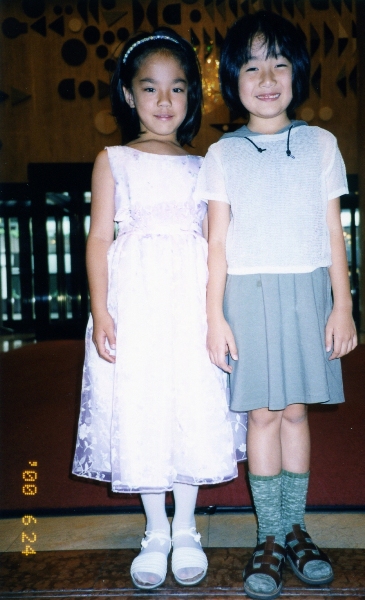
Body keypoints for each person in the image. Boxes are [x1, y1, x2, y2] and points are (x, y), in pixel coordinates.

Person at [195, 11, 357, 599]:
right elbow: (216, 244)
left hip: (307, 291)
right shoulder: (222, 153)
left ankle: (295, 529)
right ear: (232, 80)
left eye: (280, 65)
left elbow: (334, 233)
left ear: (298, 74)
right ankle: (268, 534)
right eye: (252, 68)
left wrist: (343, 305)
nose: (267, 79)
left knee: (295, 412)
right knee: (262, 414)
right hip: (247, 294)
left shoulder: (321, 144)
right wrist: (215, 317)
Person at [72, 27, 239, 591]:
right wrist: (101, 311)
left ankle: (186, 526)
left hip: (190, 300)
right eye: (150, 88)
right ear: (128, 94)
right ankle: (156, 530)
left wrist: (217, 315)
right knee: (142, 402)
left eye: (178, 88)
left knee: (189, 399)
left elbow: (215, 243)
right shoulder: (113, 159)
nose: (164, 101)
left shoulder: (205, 163)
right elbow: (99, 237)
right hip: (137, 300)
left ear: (193, 96)